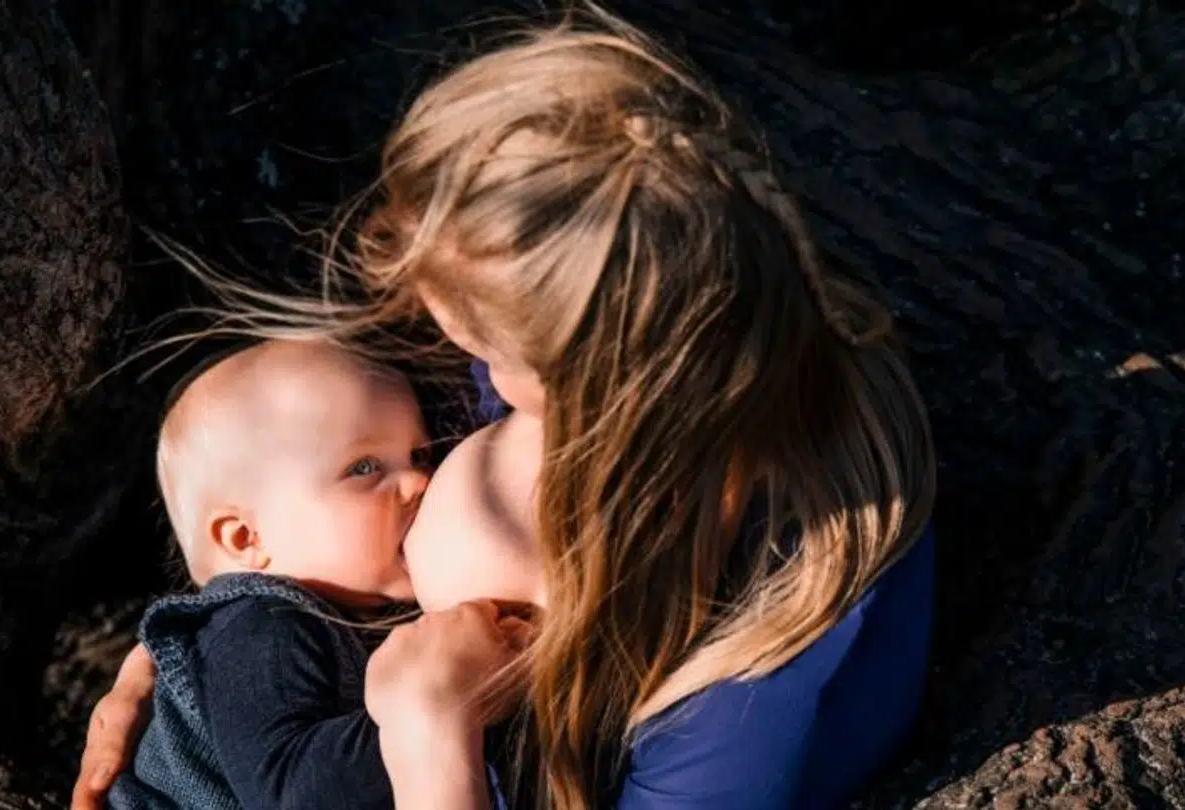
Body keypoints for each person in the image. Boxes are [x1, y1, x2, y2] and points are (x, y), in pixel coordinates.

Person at [73, 10, 937, 810]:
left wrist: (430, 736)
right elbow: (281, 508)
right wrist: (202, 651)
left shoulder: (734, 691)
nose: (438, 333)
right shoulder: (701, 300)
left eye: (472, 331)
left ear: (581, 392)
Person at [104, 339, 434, 810]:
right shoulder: (264, 626)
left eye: (419, 455)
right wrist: (435, 699)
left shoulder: (328, 615)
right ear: (246, 539)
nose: (420, 481)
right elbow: (291, 794)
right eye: (364, 467)